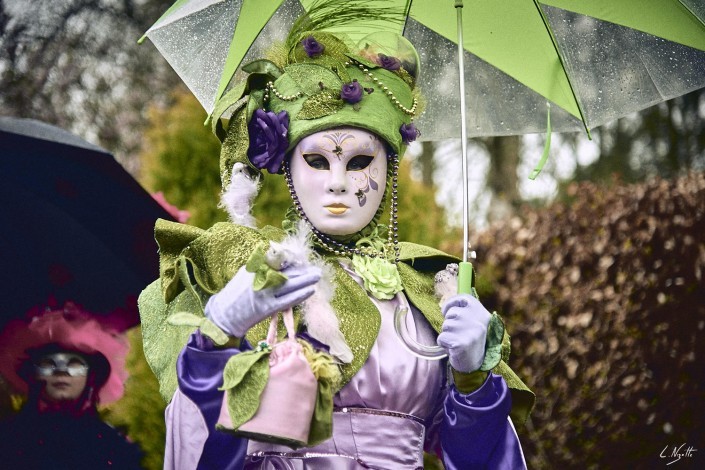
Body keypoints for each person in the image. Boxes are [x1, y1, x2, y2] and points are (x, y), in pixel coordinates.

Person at [139, 3, 535, 468]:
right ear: (287, 167)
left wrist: (472, 383)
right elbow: (198, 455)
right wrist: (218, 336)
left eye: (361, 161)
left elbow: (480, 460)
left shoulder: (430, 291)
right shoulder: (245, 269)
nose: (339, 183)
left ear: (389, 167)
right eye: (318, 161)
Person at [0, 302, 143, 469]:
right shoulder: (8, 438)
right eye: (49, 364)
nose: (62, 373)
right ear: (33, 375)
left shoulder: (114, 447)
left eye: (74, 365)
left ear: (90, 378)